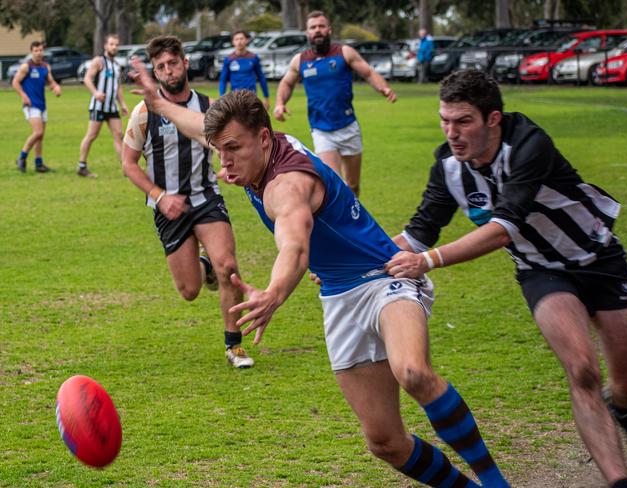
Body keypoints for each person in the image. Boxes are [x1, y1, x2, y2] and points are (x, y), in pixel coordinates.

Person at [131, 57, 510, 487]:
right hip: (339, 296)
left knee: (413, 372)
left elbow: (293, 244)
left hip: (386, 277)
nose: (226, 162)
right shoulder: (252, 145)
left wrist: (274, 292)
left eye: (233, 150)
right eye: (220, 151)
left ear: (263, 138)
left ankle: (495, 482)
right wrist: (158, 105)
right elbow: (200, 124)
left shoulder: (285, 185)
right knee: (385, 441)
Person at [386, 69, 627, 488]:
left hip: (599, 259)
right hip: (541, 272)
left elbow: (503, 227)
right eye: (445, 120)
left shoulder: (529, 144)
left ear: (493, 119)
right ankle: (621, 482)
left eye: (463, 121)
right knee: (581, 369)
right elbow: (418, 233)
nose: (451, 133)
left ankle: (618, 408)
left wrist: (429, 261)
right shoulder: (448, 167)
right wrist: (356, 259)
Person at [122, 35, 253, 369]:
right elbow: (128, 164)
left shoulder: (210, 108)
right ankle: (204, 267)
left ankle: (234, 346)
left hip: (206, 199)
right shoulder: (142, 113)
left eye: (173, 63)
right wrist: (159, 196)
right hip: (168, 209)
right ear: (155, 71)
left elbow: (227, 147)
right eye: (160, 67)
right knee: (189, 290)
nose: (168, 71)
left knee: (229, 266)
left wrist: (228, 168)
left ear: (185, 63)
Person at [273, 10, 397, 196]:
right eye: (313, 27)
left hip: (348, 127)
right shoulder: (300, 60)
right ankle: (343, 222)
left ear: (329, 30)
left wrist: (384, 88)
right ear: (308, 33)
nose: (317, 30)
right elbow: (287, 82)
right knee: (334, 183)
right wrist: (279, 103)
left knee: (353, 185)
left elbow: (368, 73)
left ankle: (354, 215)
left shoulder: (344, 52)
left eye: (321, 26)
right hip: (321, 130)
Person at [77, 33, 129, 178]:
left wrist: (123, 104)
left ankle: (126, 168)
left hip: (112, 107)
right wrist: (96, 93)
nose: (114, 47)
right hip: (98, 106)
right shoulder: (99, 61)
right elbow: (87, 79)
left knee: (119, 135)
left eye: (116, 44)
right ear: (105, 46)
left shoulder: (117, 65)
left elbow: (118, 87)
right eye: (111, 44)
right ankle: (82, 166)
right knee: (92, 135)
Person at [12, 40, 61, 173]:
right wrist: (23, 96)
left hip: (42, 104)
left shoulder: (45, 67)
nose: (39, 53)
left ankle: (39, 164)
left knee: (40, 135)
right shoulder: (26, 67)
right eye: (36, 51)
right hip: (30, 104)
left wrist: (55, 87)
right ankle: (22, 157)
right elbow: (15, 82)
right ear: (31, 52)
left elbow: (51, 82)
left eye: (40, 50)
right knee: (37, 132)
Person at [219, 30, 270, 110]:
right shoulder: (229, 59)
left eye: (241, 39)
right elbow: (223, 80)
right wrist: (222, 97)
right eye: (236, 39)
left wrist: (266, 97)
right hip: (235, 97)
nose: (239, 42)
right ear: (233, 42)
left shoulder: (253, 57)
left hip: (251, 97)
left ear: (247, 40)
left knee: (252, 121)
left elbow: (261, 78)